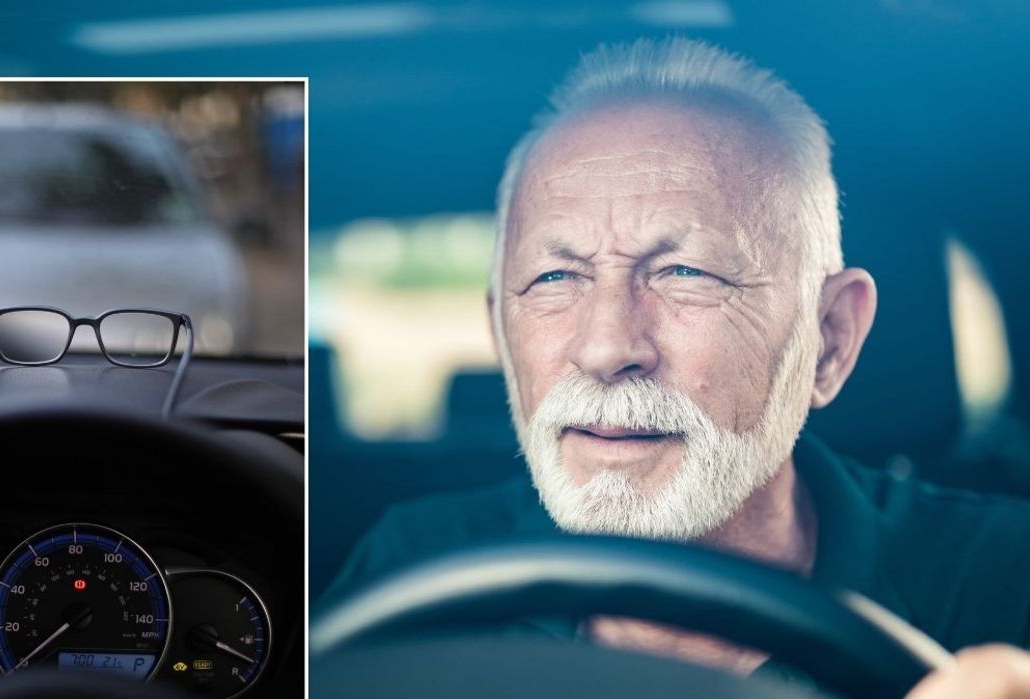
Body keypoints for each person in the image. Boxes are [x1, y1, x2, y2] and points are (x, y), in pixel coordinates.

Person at [321, 38, 1030, 697]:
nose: (605, 349)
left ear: (829, 338)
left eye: (685, 272)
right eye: (554, 278)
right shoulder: (412, 568)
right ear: (501, 336)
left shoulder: (1004, 579)